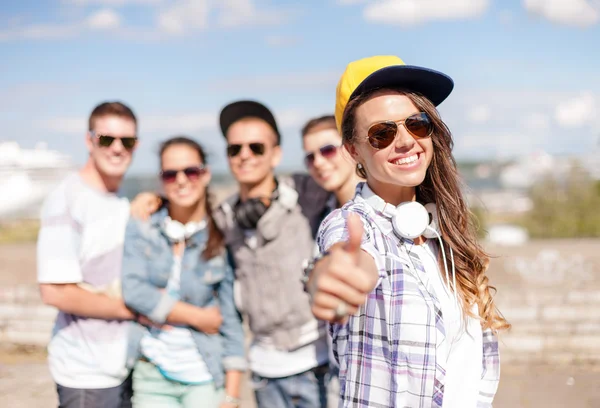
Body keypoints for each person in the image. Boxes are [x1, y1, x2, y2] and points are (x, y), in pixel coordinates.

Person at [305, 55, 510, 407]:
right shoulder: (352, 224)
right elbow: (348, 257)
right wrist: (331, 277)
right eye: (381, 133)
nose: (404, 141)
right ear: (354, 150)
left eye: (416, 123)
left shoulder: (440, 232)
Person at [212, 100, 332, 408]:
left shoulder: (308, 193)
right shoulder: (224, 216)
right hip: (264, 373)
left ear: (276, 153)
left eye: (256, 147)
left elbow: (348, 175)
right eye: (234, 149)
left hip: (316, 366)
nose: (245, 155)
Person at [121, 136, 245, 408]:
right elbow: (133, 289)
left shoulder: (221, 234)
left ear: (205, 174)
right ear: (160, 179)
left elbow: (230, 319)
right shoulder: (142, 224)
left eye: (191, 171)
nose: (181, 180)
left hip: (204, 374)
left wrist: (232, 393)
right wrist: (197, 316)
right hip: (151, 371)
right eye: (170, 174)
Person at [37, 101, 140, 408]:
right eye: (107, 139)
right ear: (89, 140)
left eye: (127, 141)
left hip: (119, 367)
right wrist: (135, 310)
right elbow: (55, 292)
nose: (117, 148)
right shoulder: (67, 199)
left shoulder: (118, 200)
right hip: (85, 376)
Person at [300, 115, 362, 408]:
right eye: (310, 157)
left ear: (351, 146)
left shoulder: (381, 209)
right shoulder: (322, 209)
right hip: (339, 368)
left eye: (327, 150)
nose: (319, 163)